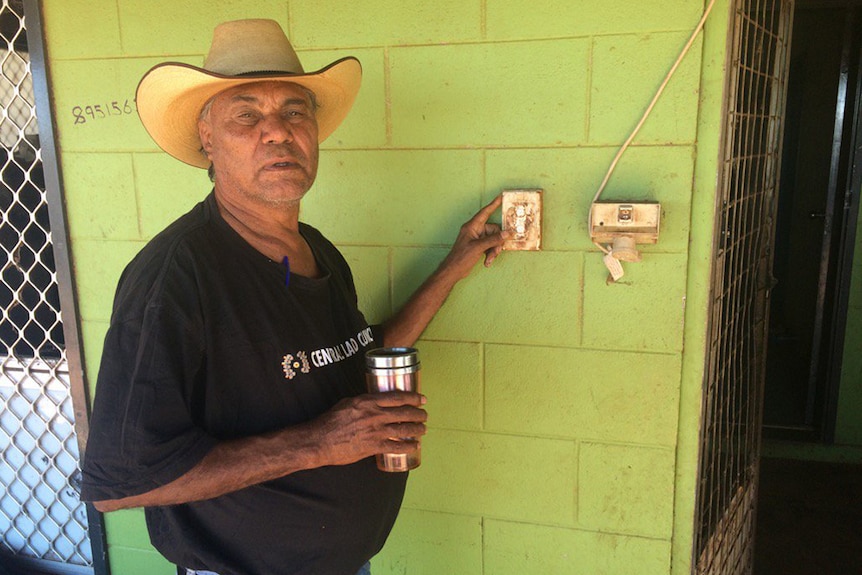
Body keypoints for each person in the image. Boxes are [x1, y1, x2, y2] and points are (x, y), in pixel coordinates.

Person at [80, 19, 507, 575]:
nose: (277, 132)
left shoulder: (317, 250)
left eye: (294, 111)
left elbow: (351, 362)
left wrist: (453, 267)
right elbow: (118, 482)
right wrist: (320, 444)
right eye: (247, 116)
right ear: (208, 138)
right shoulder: (174, 279)